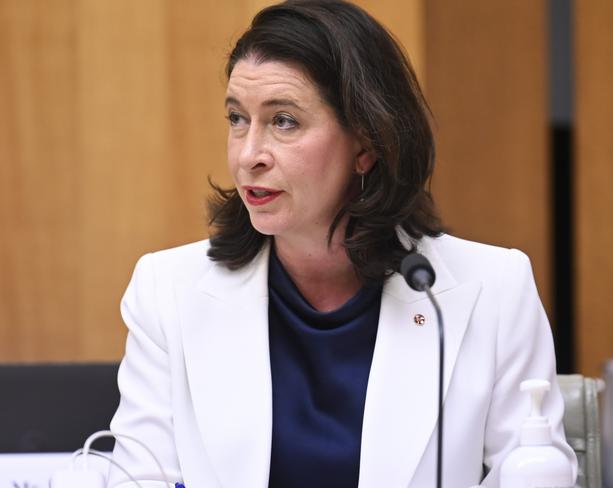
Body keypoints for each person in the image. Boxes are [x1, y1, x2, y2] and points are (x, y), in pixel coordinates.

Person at [108, 1, 577, 487]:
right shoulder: (166, 291)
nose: (248, 155)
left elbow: (532, 473)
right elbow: (140, 478)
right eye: (237, 118)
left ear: (367, 144)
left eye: (284, 121)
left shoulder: (495, 289)